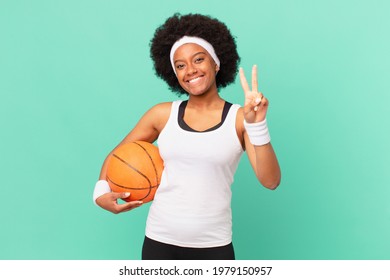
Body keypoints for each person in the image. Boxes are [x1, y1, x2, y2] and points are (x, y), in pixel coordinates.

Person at [93, 13, 281, 260]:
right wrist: (100, 192)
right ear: (174, 74)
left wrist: (257, 125)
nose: (190, 70)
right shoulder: (162, 115)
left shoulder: (239, 118)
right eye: (180, 65)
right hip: (159, 242)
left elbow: (270, 181)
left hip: (215, 246)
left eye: (199, 59)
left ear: (216, 63)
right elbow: (117, 155)